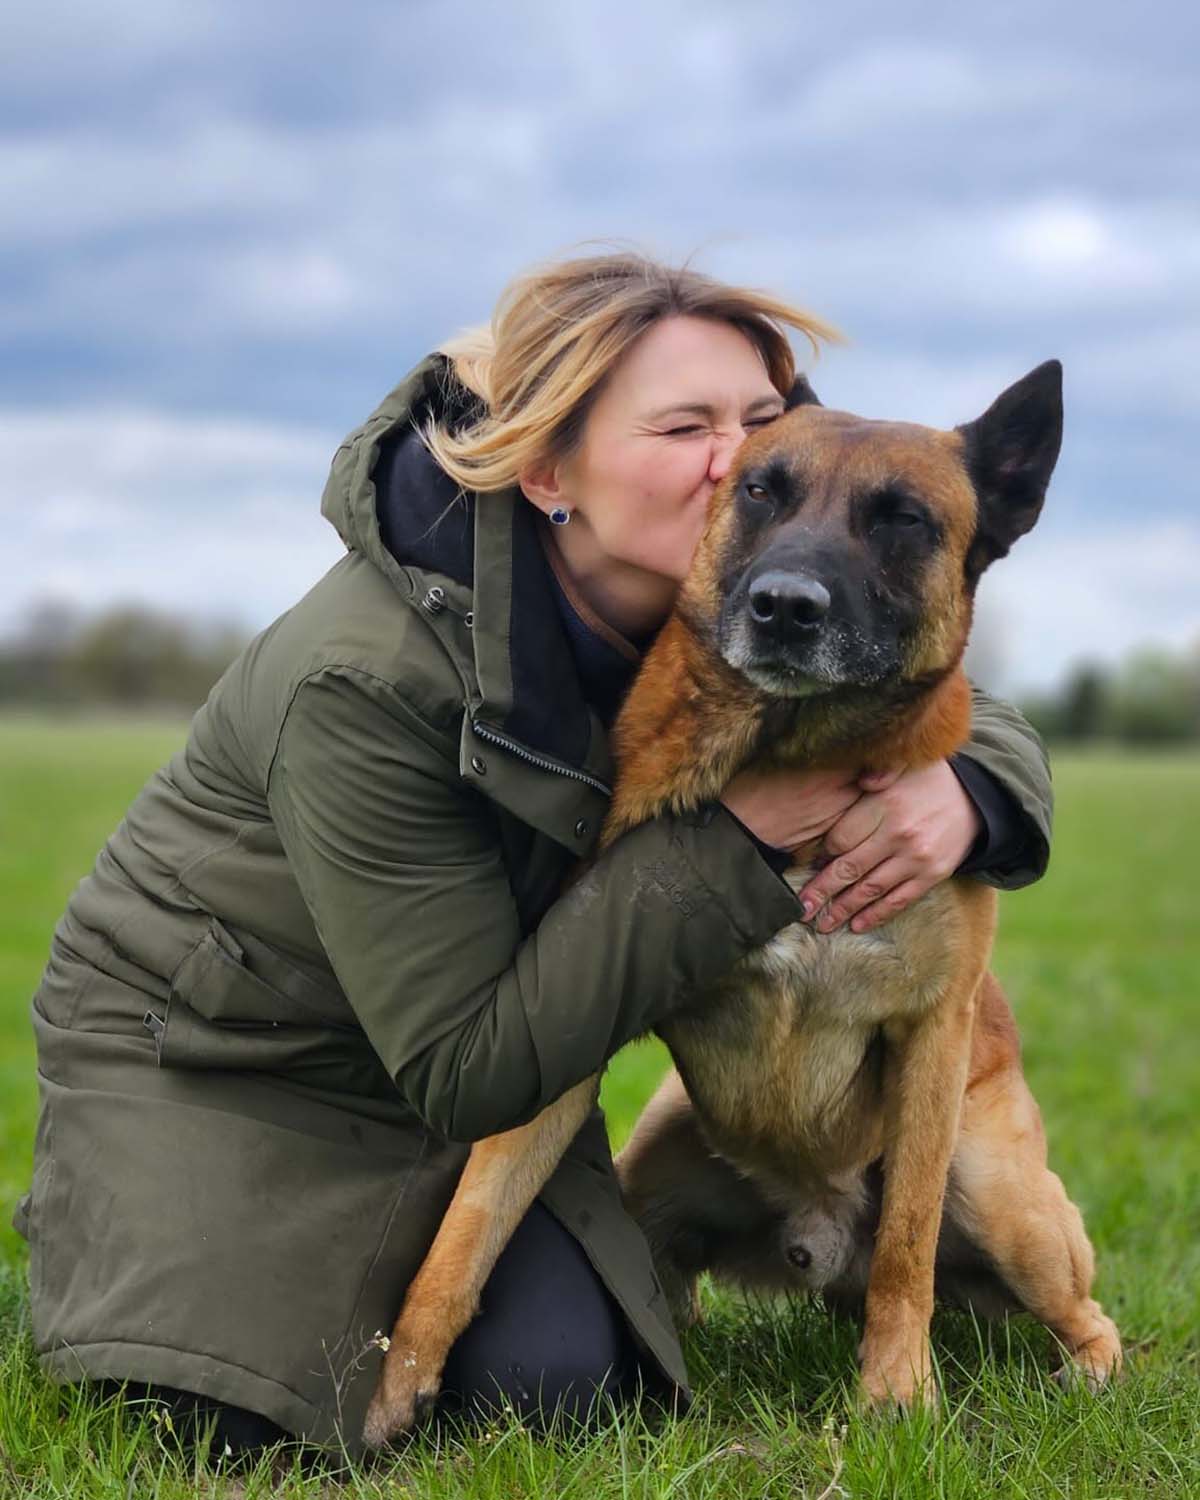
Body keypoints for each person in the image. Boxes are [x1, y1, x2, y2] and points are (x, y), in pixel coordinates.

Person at [14, 252, 1052, 1460]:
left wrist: (969, 791)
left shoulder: (713, 577)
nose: (748, 467)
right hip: (243, 1064)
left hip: (487, 1054)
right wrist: (743, 842)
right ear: (552, 470)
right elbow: (470, 1062)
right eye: (685, 427)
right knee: (243, 1402)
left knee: (562, 1383)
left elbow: (930, 669)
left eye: (761, 426)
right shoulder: (364, 679)